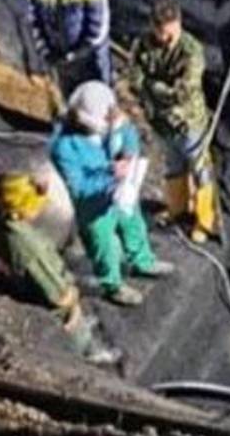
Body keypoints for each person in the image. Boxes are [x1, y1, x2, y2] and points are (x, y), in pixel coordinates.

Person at [50, 80, 173, 306]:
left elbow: (127, 132)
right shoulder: (64, 148)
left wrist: (129, 152)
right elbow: (78, 186)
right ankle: (113, 285)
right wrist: (110, 176)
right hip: (94, 205)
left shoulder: (108, 116)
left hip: (122, 191)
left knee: (133, 224)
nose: (111, 120)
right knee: (104, 246)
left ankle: (142, 261)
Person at [0, 172, 120, 365]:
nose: (40, 205)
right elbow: (56, 296)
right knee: (71, 312)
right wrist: (72, 295)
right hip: (40, 289)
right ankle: (88, 349)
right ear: (19, 210)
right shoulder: (28, 247)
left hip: (14, 278)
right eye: (34, 204)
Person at [128, 0, 216, 242]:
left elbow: (183, 91)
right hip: (161, 122)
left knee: (200, 169)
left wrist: (151, 86)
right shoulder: (143, 45)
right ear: (153, 27)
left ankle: (204, 220)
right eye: (162, 34)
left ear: (179, 24)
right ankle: (177, 210)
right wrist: (151, 87)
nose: (166, 40)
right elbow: (134, 77)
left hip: (188, 122)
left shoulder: (192, 51)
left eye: (171, 33)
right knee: (173, 166)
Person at [27, 0, 112, 94]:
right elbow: (35, 22)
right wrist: (45, 50)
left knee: (98, 93)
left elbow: (98, 26)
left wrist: (79, 53)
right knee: (70, 95)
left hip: (90, 54)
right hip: (61, 54)